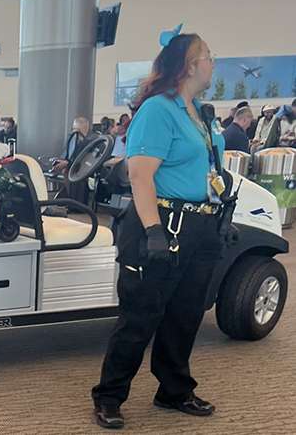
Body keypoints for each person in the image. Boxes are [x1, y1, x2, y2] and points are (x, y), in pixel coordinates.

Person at [92, 28, 226, 429]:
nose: (212, 62)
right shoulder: (158, 110)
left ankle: (174, 390)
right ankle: (109, 397)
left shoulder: (198, 112)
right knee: (140, 317)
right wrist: (154, 232)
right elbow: (140, 176)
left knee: (184, 315)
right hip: (161, 223)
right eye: (208, 55)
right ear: (189, 65)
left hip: (198, 225)